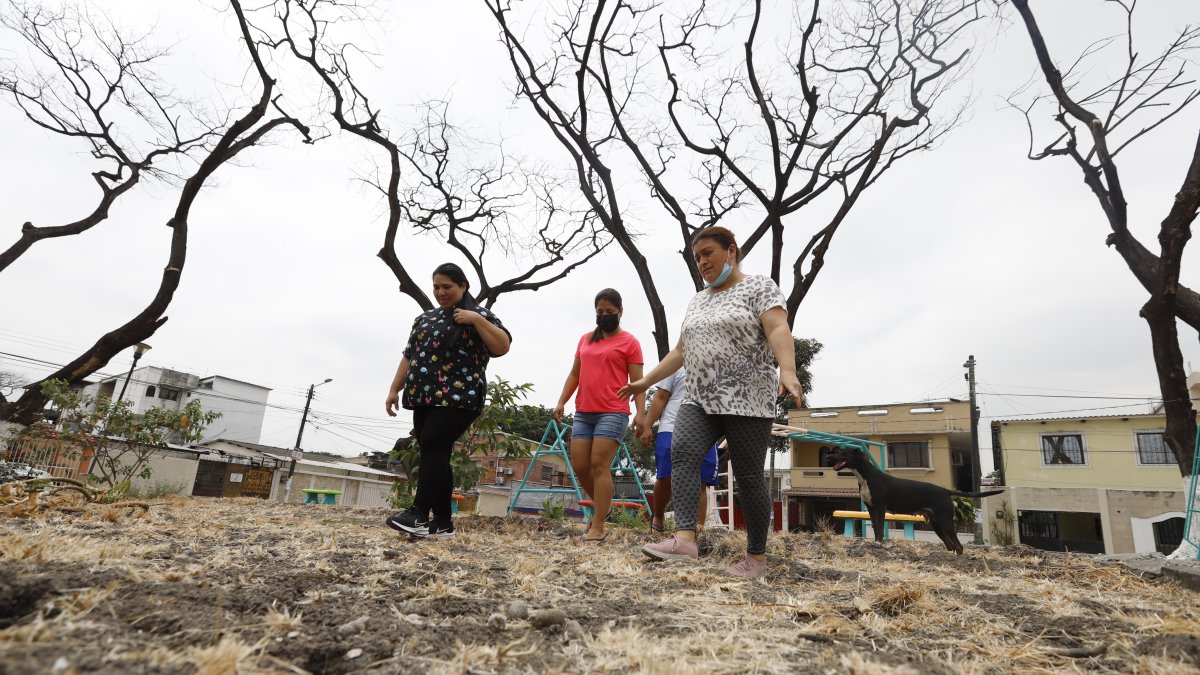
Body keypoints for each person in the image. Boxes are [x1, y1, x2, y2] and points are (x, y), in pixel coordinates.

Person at [619, 227, 801, 579]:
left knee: (748, 477)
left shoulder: (759, 286)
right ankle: (685, 538)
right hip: (700, 397)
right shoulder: (698, 300)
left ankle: (756, 560)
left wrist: (788, 370)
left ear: (731, 251)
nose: (701, 261)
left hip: (747, 398)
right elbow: (680, 351)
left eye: (707, 253)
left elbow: (778, 328)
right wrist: (645, 380)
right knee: (682, 452)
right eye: (697, 257)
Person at [385, 263, 511, 539]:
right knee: (434, 452)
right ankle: (442, 523)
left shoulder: (479, 315)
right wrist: (395, 389)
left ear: (463, 286)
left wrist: (476, 320)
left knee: (433, 444)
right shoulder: (425, 318)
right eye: (436, 287)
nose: (440, 292)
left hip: (459, 397)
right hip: (423, 396)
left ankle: (418, 513)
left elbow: (502, 345)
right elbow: (409, 355)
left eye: (447, 287)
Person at [553, 288, 646, 544]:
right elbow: (575, 374)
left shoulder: (629, 342)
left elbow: (639, 382)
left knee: (598, 465)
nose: (604, 316)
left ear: (620, 312)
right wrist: (562, 401)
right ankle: (602, 507)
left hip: (613, 411)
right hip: (584, 411)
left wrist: (641, 412)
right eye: (600, 312)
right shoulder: (585, 339)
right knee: (580, 466)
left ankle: (598, 526)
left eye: (609, 312)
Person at [638, 367, 719, 533]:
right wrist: (647, 425)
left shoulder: (720, 364)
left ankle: (697, 532)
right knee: (666, 476)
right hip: (671, 427)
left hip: (706, 429)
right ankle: (659, 517)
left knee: (700, 482)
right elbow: (661, 396)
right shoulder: (676, 363)